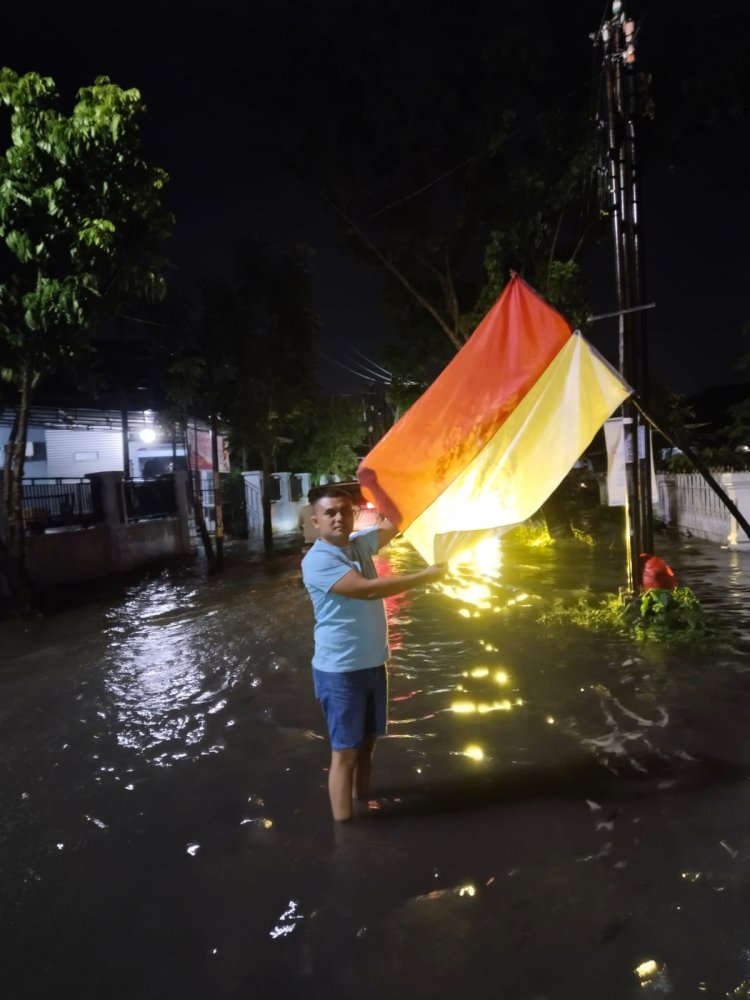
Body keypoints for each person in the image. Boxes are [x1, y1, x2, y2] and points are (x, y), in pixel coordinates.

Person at [301, 485, 446, 821]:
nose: (339, 518)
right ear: (316, 521)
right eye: (330, 513)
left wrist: (411, 484)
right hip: (340, 671)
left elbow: (399, 523)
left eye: (344, 511)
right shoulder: (318, 560)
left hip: (372, 664)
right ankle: (345, 833)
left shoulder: (358, 544)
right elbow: (366, 591)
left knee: (367, 745)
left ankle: (363, 802)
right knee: (345, 752)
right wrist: (423, 577)